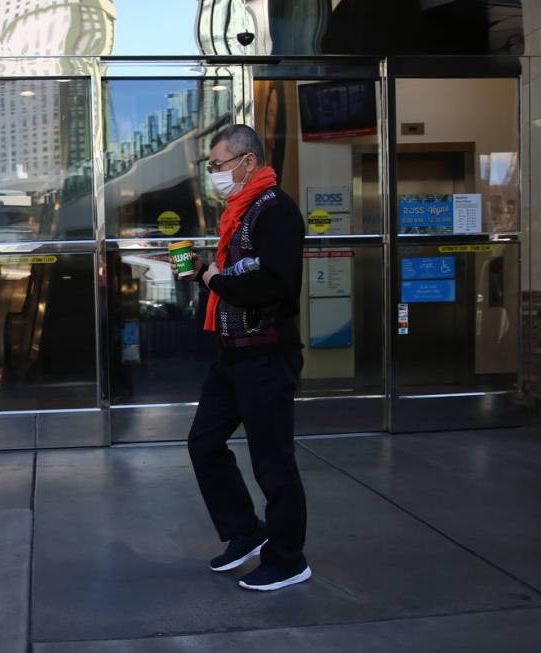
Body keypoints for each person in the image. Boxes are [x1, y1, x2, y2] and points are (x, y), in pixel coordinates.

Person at [176, 124, 309, 592]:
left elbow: (272, 284)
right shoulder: (240, 212)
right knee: (203, 443)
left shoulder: (276, 211)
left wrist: (215, 280)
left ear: (247, 161)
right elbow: (233, 277)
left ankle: (288, 559)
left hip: (267, 355)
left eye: (219, 165)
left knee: (273, 462)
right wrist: (204, 274)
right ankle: (245, 532)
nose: (214, 174)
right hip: (232, 354)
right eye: (210, 167)